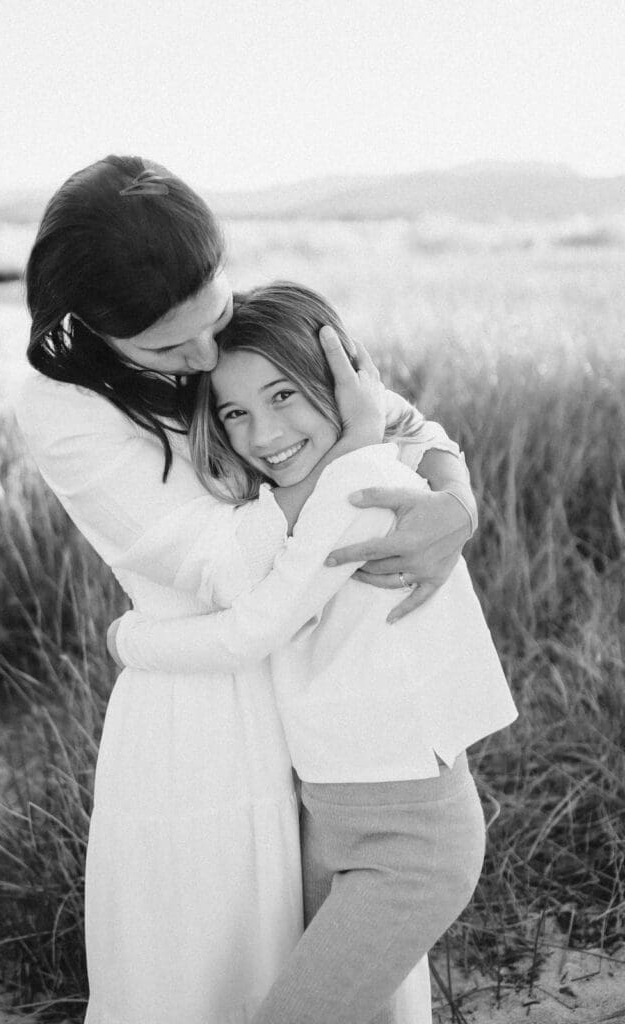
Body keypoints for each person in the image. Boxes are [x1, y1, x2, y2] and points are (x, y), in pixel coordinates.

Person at [17, 154, 480, 1024]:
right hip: (203, 717)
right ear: (92, 326)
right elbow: (230, 568)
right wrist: (354, 455)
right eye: (166, 347)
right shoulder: (62, 409)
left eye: (215, 316)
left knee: (341, 980)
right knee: (210, 975)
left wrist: (456, 501)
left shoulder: (236, 342)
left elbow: (396, 417)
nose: (202, 358)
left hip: (321, 712)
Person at [108, 282, 518, 1024]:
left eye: (284, 396)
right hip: (336, 818)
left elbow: (252, 630)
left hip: (409, 843)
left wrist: (131, 638)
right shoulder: (313, 484)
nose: (263, 435)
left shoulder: (355, 484)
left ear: (343, 385)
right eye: (235, 412)